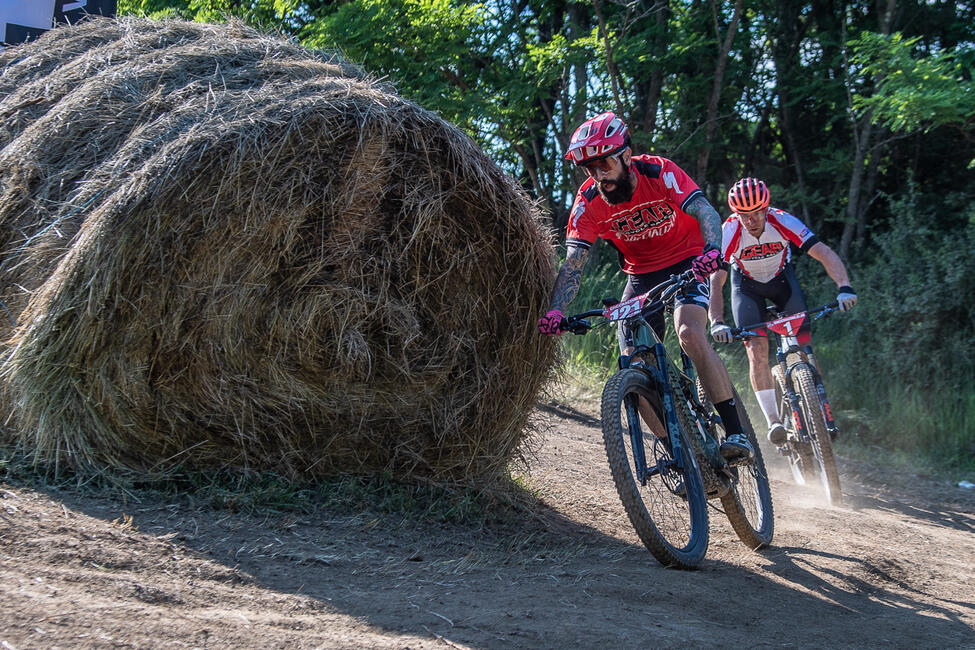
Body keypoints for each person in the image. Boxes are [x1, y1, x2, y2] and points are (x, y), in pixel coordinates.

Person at [537, 112, 753, 462]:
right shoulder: (588, 202)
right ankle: (682, 458)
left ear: (625, 154)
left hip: (689, 259)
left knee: (690, 334)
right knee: (633, 368)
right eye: (588, 168)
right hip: (641, 275)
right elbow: (574, 263)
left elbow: (704, 210)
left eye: (604, 163)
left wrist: (713, 250)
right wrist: (555, 310)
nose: (598, 176)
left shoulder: (659, 171)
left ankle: (737, 433)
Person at [708, 177, 858, 447]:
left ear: (766, 209)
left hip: (782, 283)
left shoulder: (783, 221)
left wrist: (844, 287)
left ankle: (819, 408)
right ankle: (774, 421)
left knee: (803, 347)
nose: (751, 220)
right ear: (736, 214)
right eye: (744, 215)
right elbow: (716, 279)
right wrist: (716, 321)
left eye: (756, 213)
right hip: (746, 287)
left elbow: (823, 252)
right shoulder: (729, 231)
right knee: (756, 349)